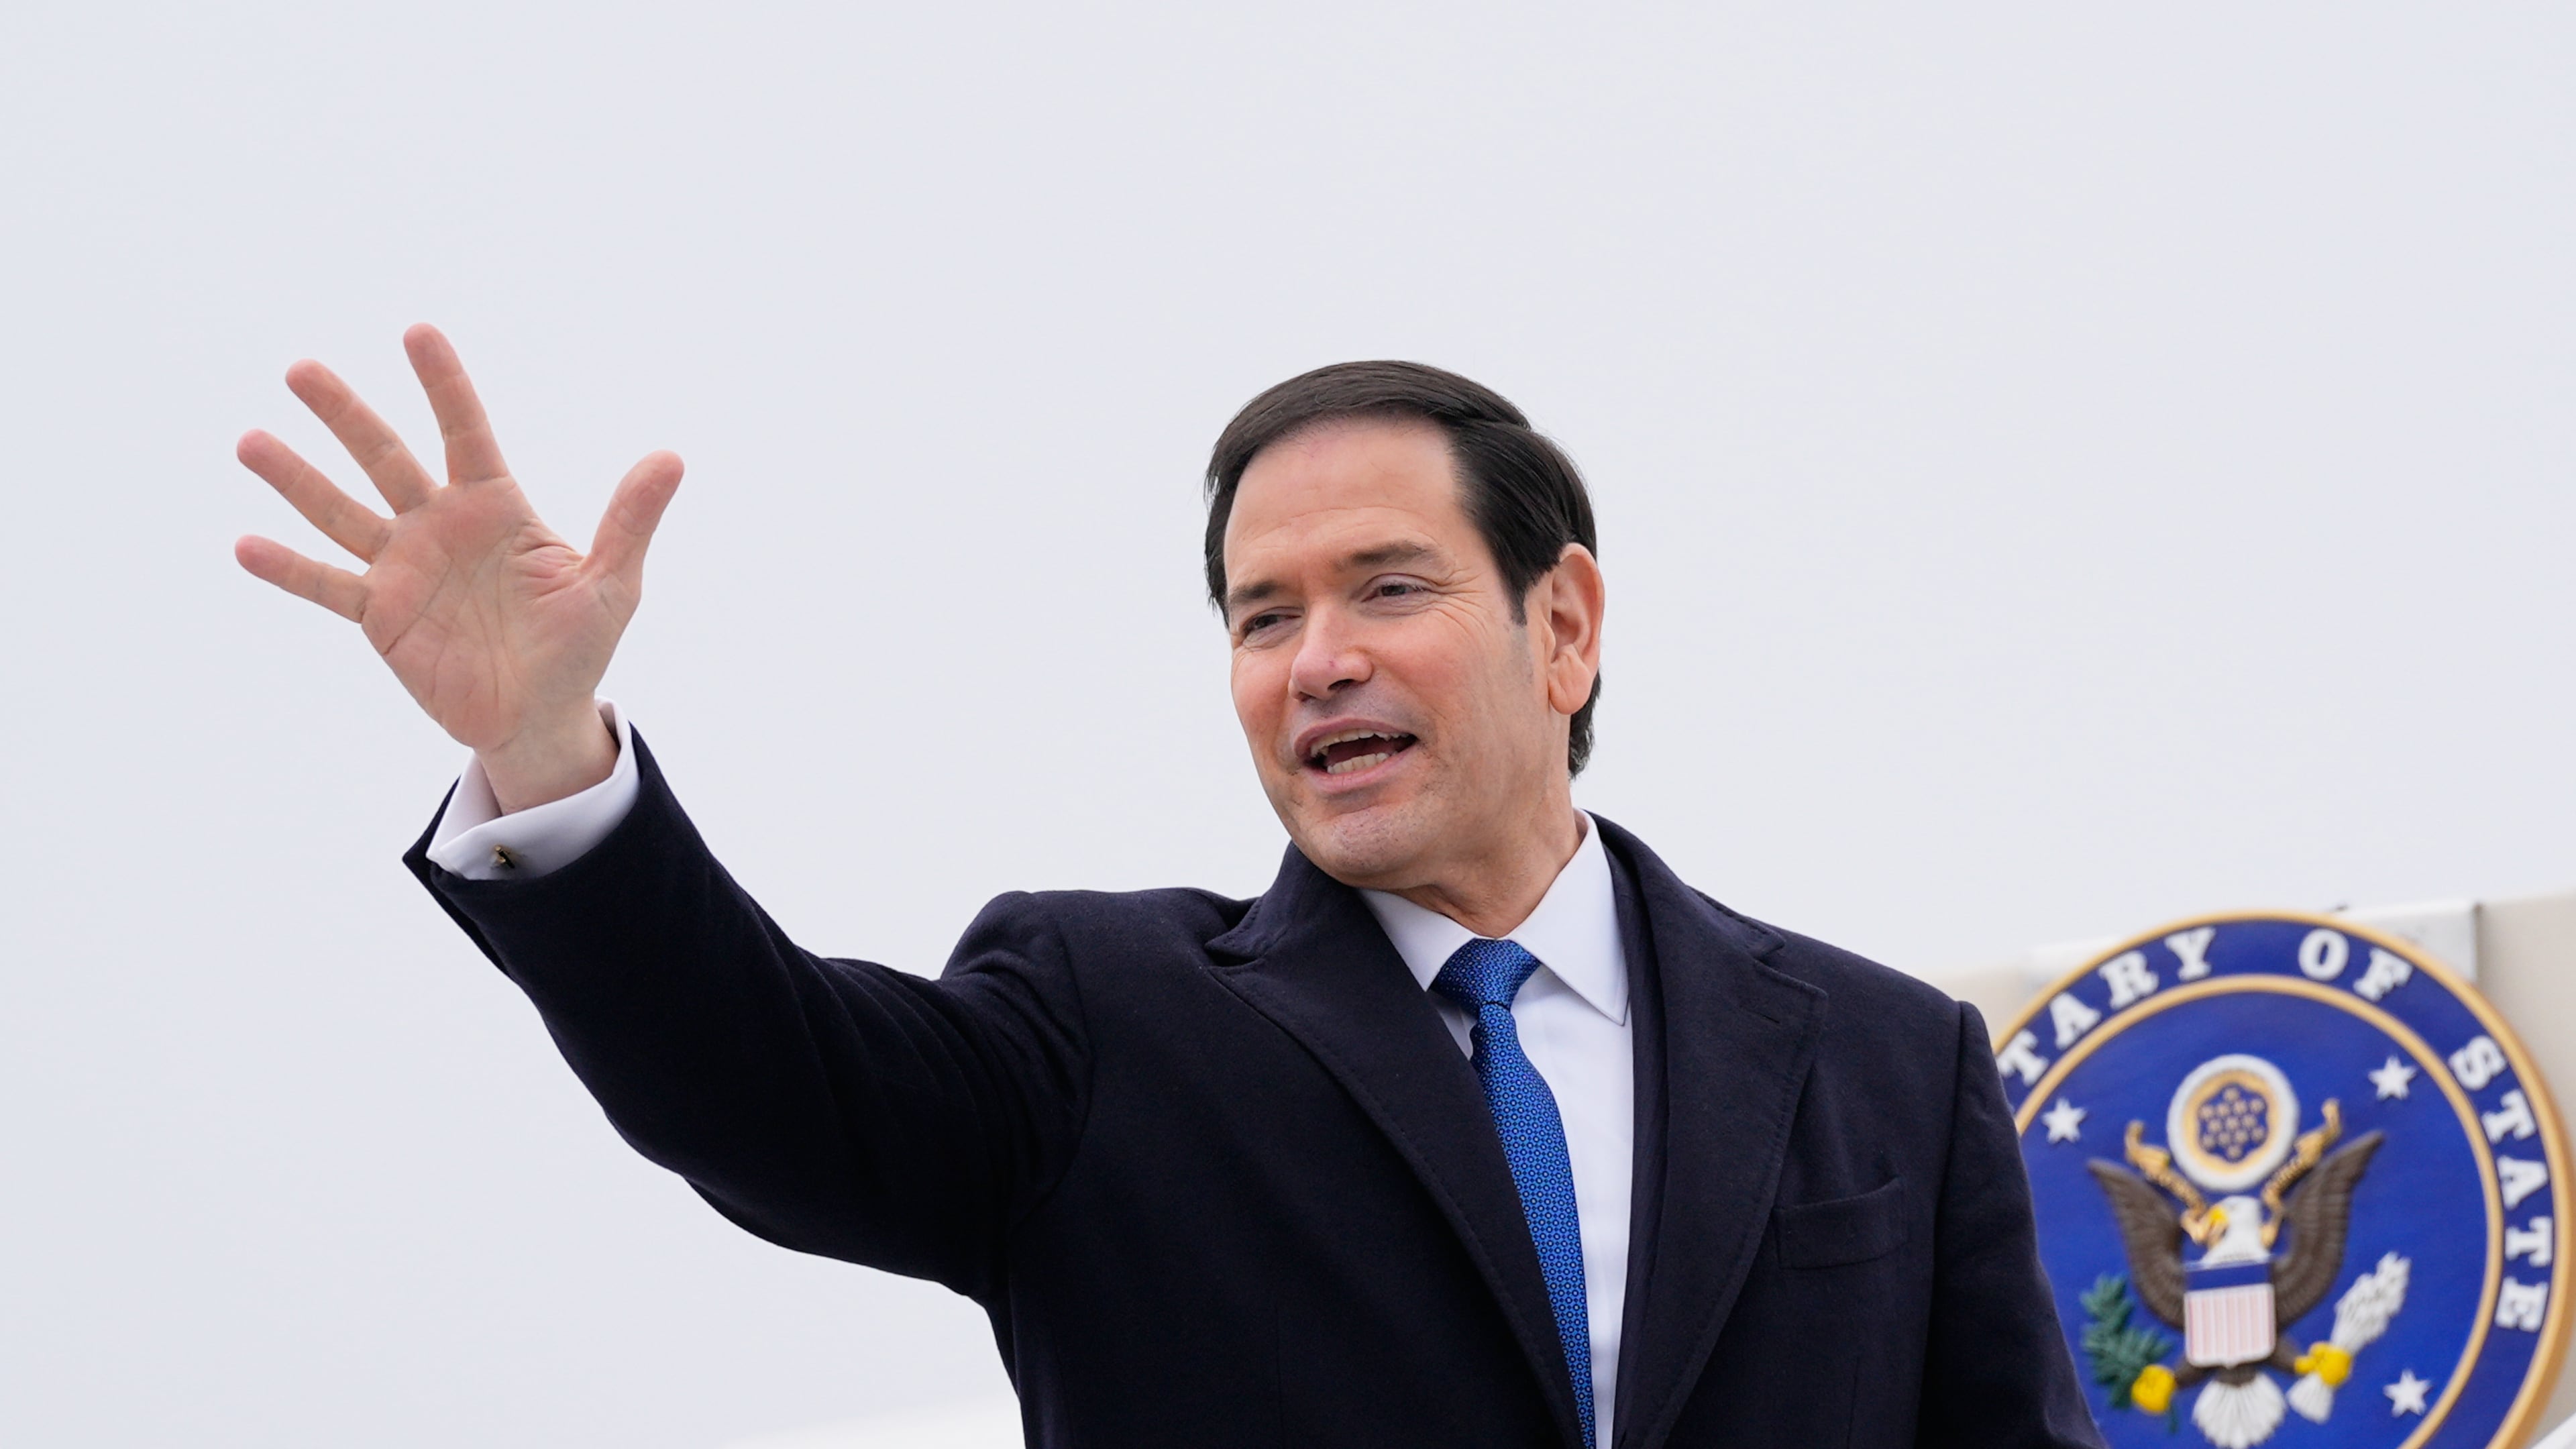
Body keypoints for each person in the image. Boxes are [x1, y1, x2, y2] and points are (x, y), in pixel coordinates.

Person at [234, 325, 2104, 1449]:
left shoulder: (1884, 1064)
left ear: (1566, 623)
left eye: (1385, 588)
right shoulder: (1103, 1021)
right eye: (1260, 616)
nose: (1316, 662)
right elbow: (766, 1083)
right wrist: (555, 764)